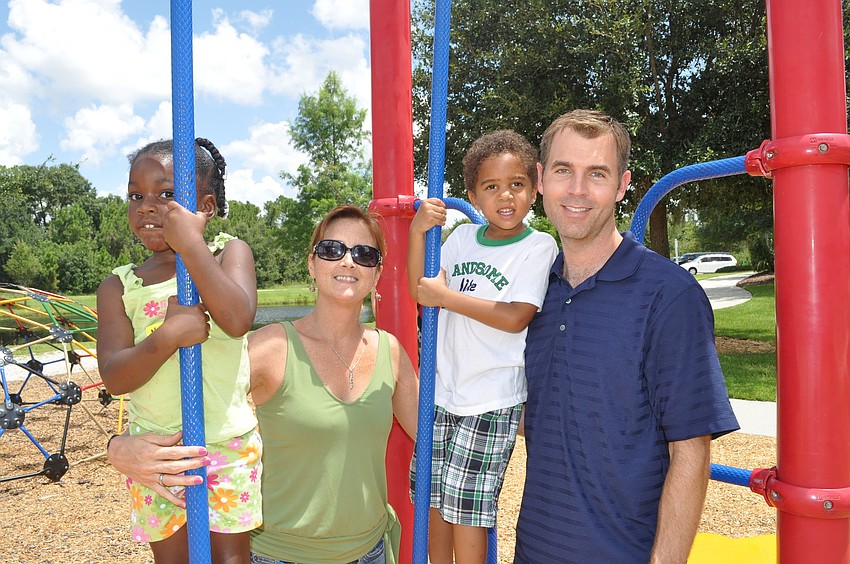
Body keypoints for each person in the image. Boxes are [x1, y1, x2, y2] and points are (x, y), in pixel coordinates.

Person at [108, 205, 419, 564]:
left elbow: (433, 436)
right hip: (279, 555)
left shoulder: (390, 353)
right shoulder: (273, 347)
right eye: (332, 250)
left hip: (370, 551)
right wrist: (119, 446)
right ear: (312, 264)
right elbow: (186, 399)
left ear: (377, 272)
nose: (348, 262)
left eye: (364, 254)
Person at [515, 109, 740, 563]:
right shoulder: (531, 294)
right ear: (540, 179)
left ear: (622, 185)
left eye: (596, 174)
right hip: (535, 548)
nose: (577, 190)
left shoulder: (669, 295)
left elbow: (690, 452)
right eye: (563, 171)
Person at [97, 138, 261, 564]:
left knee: (230, 559)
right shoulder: (119, 285)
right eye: (136, 195)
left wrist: (191, 246)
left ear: (204, 207)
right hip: (156, 454)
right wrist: (166, 336)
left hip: (224, 444)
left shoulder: (228, 253)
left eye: (166, 194)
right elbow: (115, 377)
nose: (147, 206)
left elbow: (237, 318)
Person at [407, 130, 558, 563]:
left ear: (535, 188)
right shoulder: (460, 240)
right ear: (473, 195)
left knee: (468, 512)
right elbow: (423, 288)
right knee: (433, 502)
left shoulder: (537, 246)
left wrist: (447, 297)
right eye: (491, 187)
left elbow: (515, 317)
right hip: (442, 393)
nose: (505, 196)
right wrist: (418, 233)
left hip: (490, 399)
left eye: (516, 184)